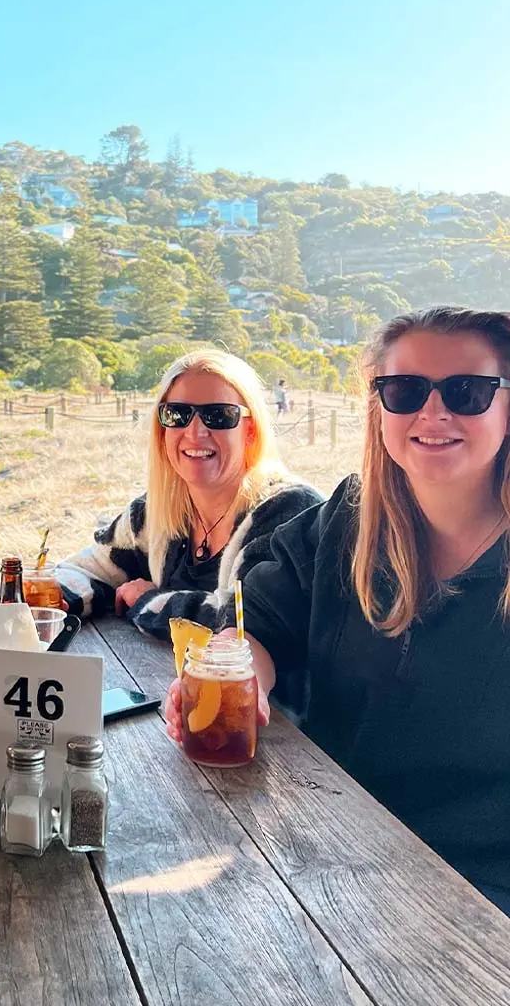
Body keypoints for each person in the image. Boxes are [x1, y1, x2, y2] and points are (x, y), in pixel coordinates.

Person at [164, 306, 510, 914]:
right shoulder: (349, 519)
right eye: (404, 390)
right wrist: (234, 669)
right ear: (380, 407)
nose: (433, 413)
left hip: (477, 887)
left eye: (467, 391)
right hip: (323, 844)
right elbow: (261, 620)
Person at [56, 350, 322, 640]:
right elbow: (90, 569)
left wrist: (148, 600)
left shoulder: (290, 511)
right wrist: (53, 600)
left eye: (219, 415)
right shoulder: (156, 511)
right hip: (161, 682)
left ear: (251, 430)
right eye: (177, 414)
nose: (195, 432)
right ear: (162, 430)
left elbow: (244, 622)